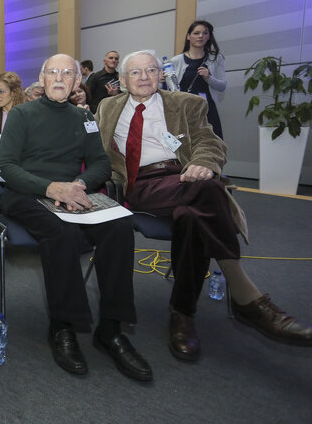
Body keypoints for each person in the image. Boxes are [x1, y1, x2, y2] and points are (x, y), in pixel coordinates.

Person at [95, 49, 312, 362]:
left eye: (151, 70)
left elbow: (211, 142)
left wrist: (203, 163)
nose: (144, 77)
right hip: (140, 183)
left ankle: (183, 315)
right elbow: (96, 150)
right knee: (209, 192)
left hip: (185, 176)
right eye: (136, 72)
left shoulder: (188, 103)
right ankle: (245, 296)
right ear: (123, 79)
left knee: (191, 217)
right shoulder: (107, 107)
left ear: (160, 74)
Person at [0, 53, 152, 382]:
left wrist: (79, 185)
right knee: (61, 234)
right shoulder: (22, 115)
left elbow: (100, 164)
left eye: (67, 73)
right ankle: (63, 326)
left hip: (73, 192)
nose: (59, 77)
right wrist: (53, 188)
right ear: (41, 77)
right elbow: (7, 168)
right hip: (26, 193)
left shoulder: (84, 119)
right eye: (52, 71)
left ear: (76, 81)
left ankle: (110, 330)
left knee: (121, 225)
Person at [167, 20, 226, 138]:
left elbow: (222, 86)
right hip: (183, 110)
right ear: (188, 36)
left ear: (209, 37)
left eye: (205, 33)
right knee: (184, 145)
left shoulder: (216, 58)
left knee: (212, 144)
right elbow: (170, 90)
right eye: (196, 33)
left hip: (207, 109)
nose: (201, 36)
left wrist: (208, 78)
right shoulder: (175, 61)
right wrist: (162, 81)